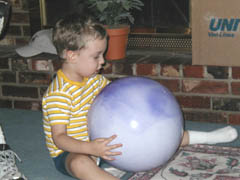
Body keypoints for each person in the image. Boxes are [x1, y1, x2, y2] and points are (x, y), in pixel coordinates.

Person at [42, 13, 238, 180]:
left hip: (101, 141)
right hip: (72, 151)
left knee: (161, 135)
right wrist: (91, 148)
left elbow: (122, 102)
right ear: (72, 55)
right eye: (96, 56)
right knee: (80, 163)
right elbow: (60, 139)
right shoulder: (58, 94)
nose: (103, 62)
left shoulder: (94, 79)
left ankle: (208, 137)